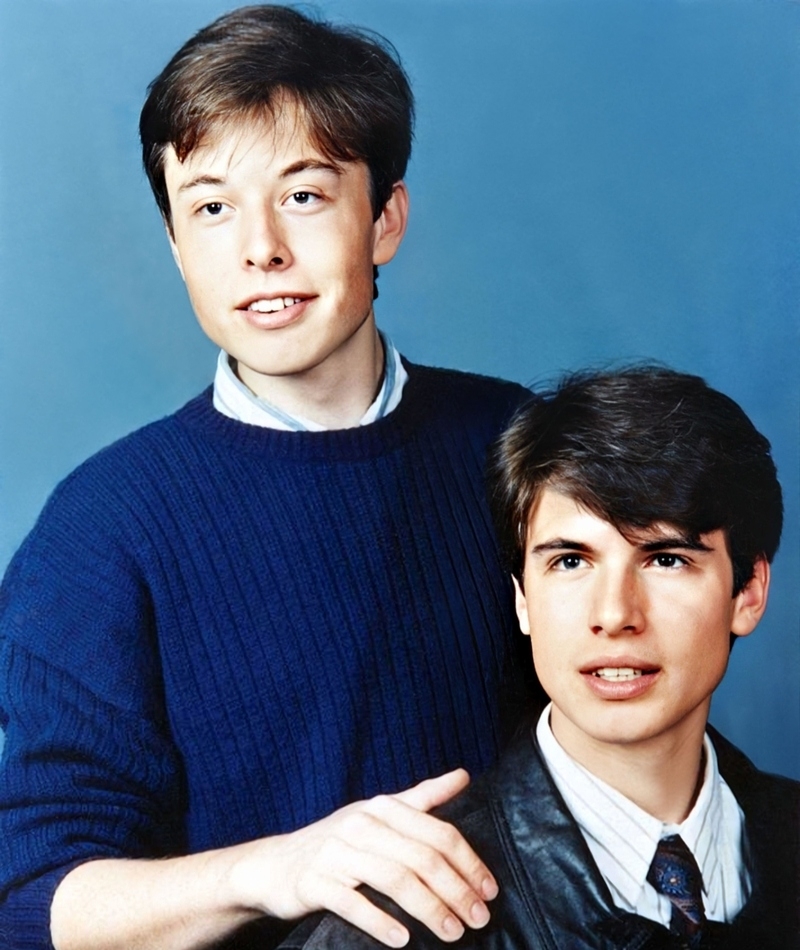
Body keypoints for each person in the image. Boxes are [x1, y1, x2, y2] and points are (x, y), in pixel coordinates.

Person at [0, 6, 538, 949]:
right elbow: (32, 901)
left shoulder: (514, 445)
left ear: (385, 220)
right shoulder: (100, 531)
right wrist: (276, 867)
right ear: (175, 245)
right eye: (211, 206)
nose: (261, 251)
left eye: (304, 194)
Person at [283, 366, 800, 949]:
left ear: (749, 591)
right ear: (523, 599)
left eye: (665, 559)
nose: (614, 614)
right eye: (571, 562)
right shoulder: (400, 922)